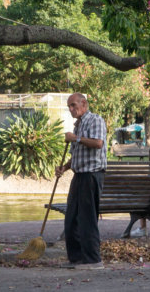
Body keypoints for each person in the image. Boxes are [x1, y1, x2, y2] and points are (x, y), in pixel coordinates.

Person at [56, 93, 107, 270]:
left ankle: (93, 260)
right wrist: (65, 167)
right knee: (71, 218)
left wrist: (75, 138)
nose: (71, 109)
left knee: (87, 218)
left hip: (91, 175)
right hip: (79, 175)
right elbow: (77, 154)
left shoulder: (95, 120)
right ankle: (76, 258)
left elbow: (98, 143)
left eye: (73, 105)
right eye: (69, 106)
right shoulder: (77, 125)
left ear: (83, 103)